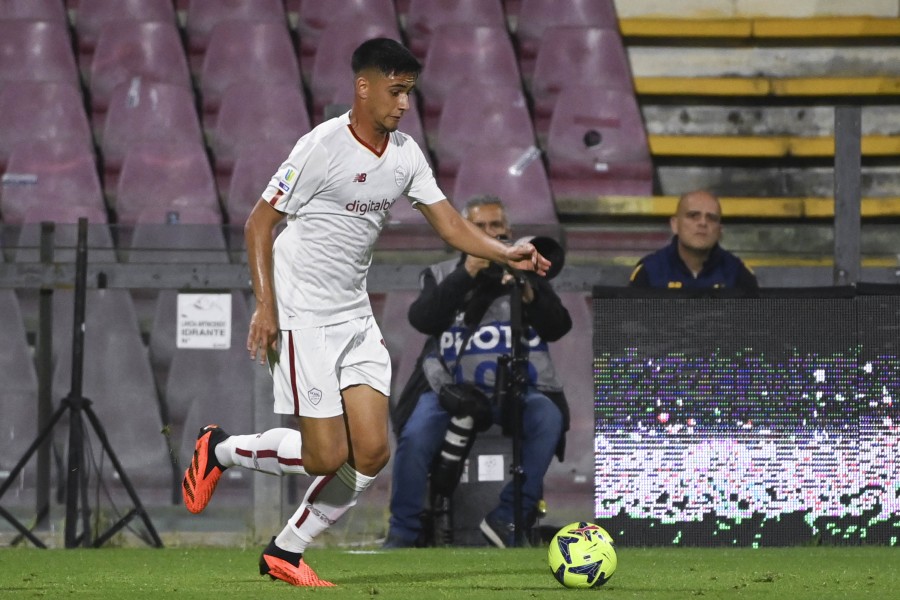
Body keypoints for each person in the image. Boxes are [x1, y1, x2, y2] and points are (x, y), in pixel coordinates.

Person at [180, 39, 551, 587]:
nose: (404, 104)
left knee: (372, 452)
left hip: (354, 315)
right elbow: (259, 223)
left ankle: (286, 549)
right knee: (325, 455)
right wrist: (266, 306)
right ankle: (222, 448)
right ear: (364, 86)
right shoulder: (321, 146)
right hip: (303, 314)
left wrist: (506, 252)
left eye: (409, 93)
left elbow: (447, 221)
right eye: (396, 91)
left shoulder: (404, 154)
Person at [384, 196, 571, 549]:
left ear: (508, 232)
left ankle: (508, 519)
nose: (488, 234)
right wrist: (468, 269)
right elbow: (424, 320)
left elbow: (558, 327)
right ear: (460, 232)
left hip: (517, 389)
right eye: (478, 227)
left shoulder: (527, 269)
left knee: (548, 417)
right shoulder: (442, 273)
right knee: (415, 434)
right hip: (452, 393)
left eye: (496, 227)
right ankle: (403, 533)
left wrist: (530, 292)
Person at [629, 190, 759, 291]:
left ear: (720, 230)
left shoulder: (739, 274)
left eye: (711, 218)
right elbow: (632, 324)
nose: (703, 223)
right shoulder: (649, 271)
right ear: (674, 225)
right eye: (693, 216)